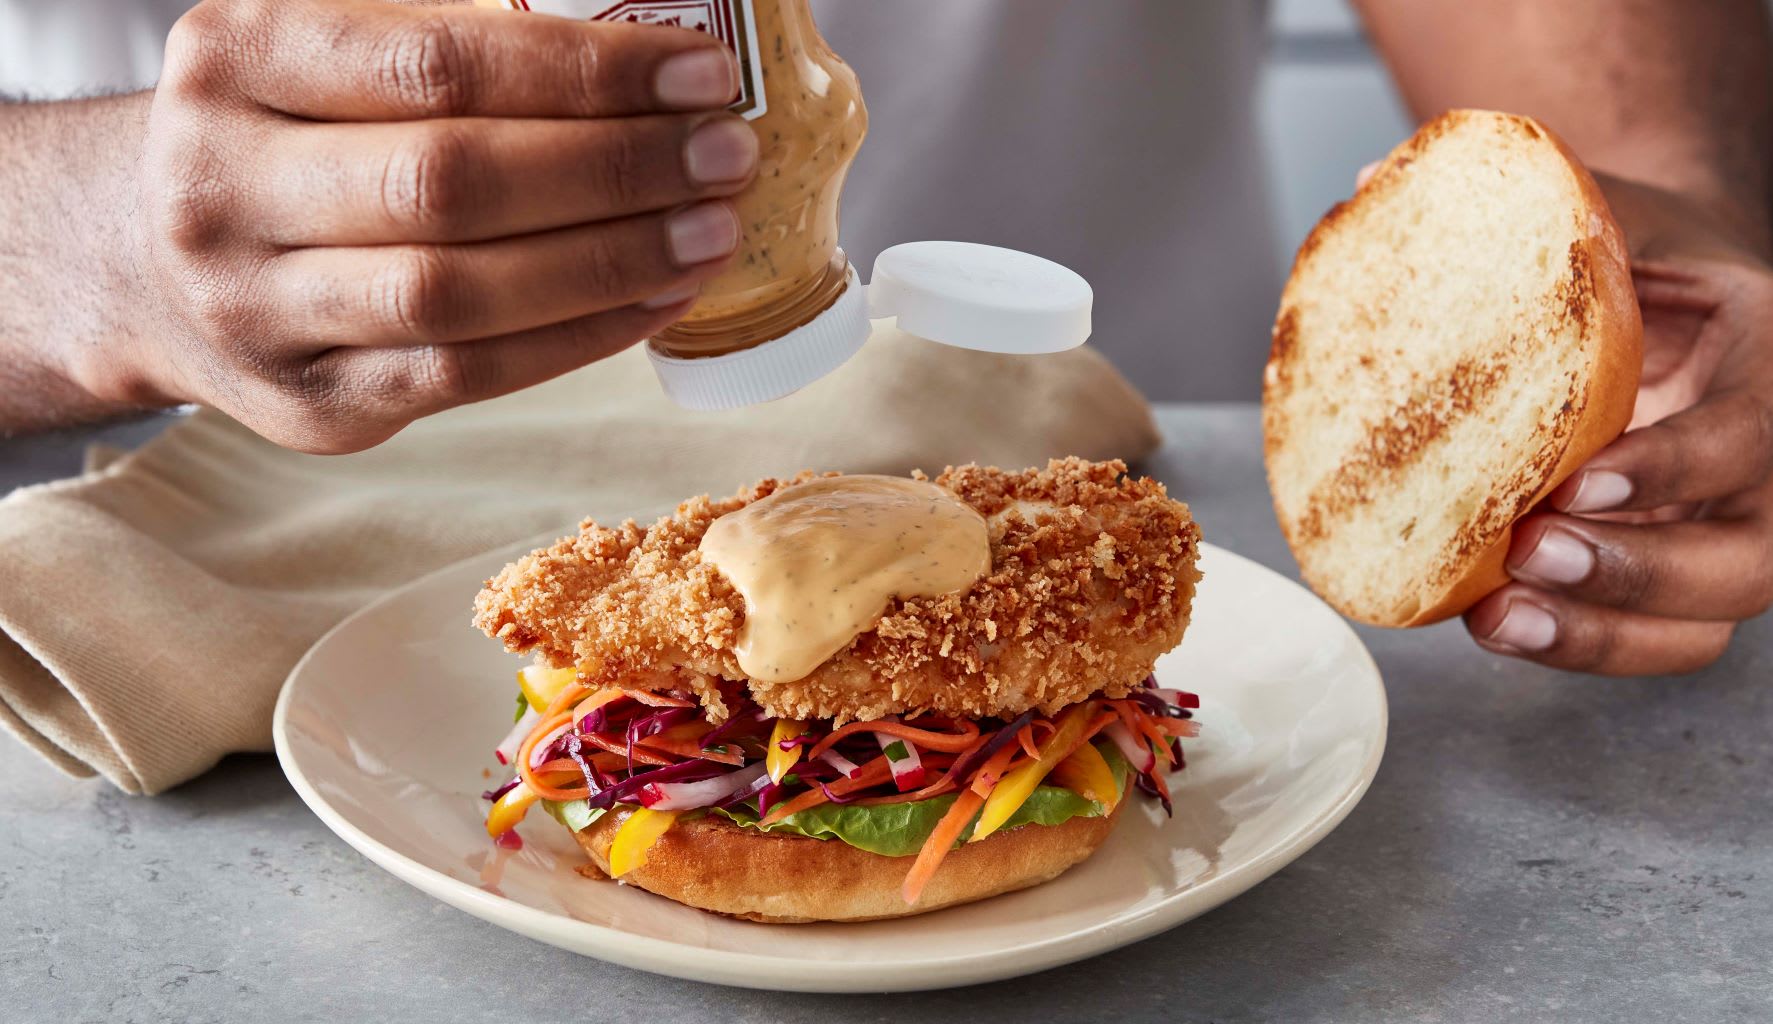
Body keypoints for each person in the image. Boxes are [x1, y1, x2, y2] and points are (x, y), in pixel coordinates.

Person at [0, 0, 1769, 677]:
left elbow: (1617, 128)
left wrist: (1663, 262)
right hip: (168, 553)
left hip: (1213, 562)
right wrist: (80, 245)